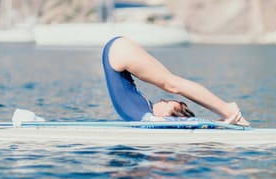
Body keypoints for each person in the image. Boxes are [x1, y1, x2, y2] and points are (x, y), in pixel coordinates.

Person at [102, 36, 249, 126]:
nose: (162, 99)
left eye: (166, 103)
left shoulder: (149, 117)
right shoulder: (146, 114)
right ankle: (227, 110)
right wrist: (219, 125)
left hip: (119, 52)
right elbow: (185, 123)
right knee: (171, 83)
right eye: (167, 101)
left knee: (172, 84)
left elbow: (181, 123)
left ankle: (228, 110)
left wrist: (218, 125)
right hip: (119, 52)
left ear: (165, 117)